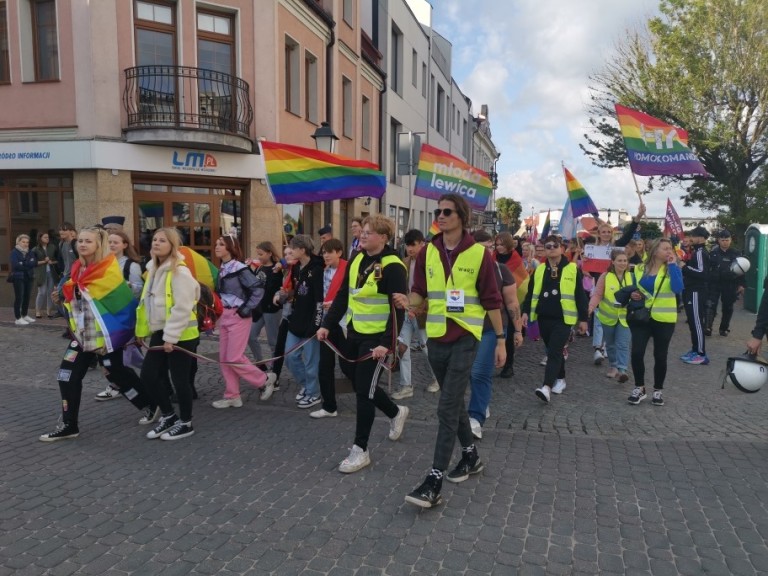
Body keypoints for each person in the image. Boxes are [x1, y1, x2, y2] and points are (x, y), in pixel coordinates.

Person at [393, 194, 505, 508]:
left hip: (467, 335)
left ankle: (434, 480)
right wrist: (409, 302)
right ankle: (470, 456)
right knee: (453, 403)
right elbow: (420, 292)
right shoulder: (428, 251)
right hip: (437, 336)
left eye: (447, 211)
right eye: (438, 211)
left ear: (461, 217)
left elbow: (492, 300)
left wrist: (500, 339)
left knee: (446, 407)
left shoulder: (479, 254)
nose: (440, 216)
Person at [39, 227, 153, 441]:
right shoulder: (77, 267)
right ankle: (69, 425)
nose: (82, 244)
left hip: (106, 334)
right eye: (80, 240)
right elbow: (77, 294)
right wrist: (63, 295)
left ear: (98, 245)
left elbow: (100, 293)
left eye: (88, 241)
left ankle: (150, 404)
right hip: (83, 334)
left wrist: (70, 290)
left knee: (116, 372)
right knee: (67, 375)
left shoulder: (107, 267)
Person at [318, 215, 408, 473]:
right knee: (357, 380)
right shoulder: (357, 258)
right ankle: (395, 412)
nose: (362, 236)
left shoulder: (393, 266)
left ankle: (360, 450)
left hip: (377, 339)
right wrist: (327, 324)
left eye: (368, 232)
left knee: (364, 392)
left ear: (383, 237)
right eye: (362, 232)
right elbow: (344, 296)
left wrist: (387, 344)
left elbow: (398, 310)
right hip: (354, 332)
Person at [133, 227, 202, 440]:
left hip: (182, 334)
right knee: (148, 375)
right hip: (161, 331)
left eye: (162, 240)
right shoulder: (153, 269)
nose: (156, 243)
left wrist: (171, 338)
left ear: (173, 246)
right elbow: (146, 304)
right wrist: (142, 331)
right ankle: (169, 415)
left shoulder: (179, 271)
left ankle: (186, 422)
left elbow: (182, 307)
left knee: (180, 380)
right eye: (155, 239)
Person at [468, 230, 523, 439]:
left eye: (489, 248)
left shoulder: (501, 270)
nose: (487, 252)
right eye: (481, 248)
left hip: (491, 329)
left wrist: (517, 330)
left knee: (479, 372)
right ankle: (482, 403)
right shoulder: (462, 269)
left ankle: (475, 418)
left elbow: (512, 302)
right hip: (465, 328)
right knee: (465, 372)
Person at [522, 235, 589, 403]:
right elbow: (531, 293)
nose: (551, 248)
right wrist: (525, 312)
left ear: (562, 249)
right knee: (553, 350)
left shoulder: (572, 269)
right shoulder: (540, 269)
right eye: (548, 246)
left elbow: (580, 295)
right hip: (543, 317)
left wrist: (583, 319)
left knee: (554, 351)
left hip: (564, 318)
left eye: (555, 245)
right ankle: (561, 378)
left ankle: (546, 387)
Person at [211, 235, 276, 408]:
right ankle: (232, 395)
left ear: (230, 248)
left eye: (221, 244)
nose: (217, 246)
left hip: (238, 316)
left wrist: (245, 309)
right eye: (216, 244)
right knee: (225, 358)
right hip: (225, 315)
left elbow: (257, 289)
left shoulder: (239, 268)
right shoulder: (223, 268)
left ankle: (264, 380)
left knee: (233, 357)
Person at [584, 201, 645, 366]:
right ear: (599, 234)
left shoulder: (617, 247)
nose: (605, 234)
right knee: (598, 318)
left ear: (611, 234)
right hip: (598, 285)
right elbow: (588, 269)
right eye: (603, 231)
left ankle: (605, 345)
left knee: (609, 318)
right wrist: (585, 263)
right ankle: (598, 348)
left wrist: (638, 217)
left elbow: (629, 234)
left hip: (615, 287)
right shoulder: (591, 249)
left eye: (608, 232)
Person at [626, 238, 684, 406]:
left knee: (660, 355)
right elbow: (634, 288)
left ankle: (658, 390)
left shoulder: (672, 268)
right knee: (637, 352)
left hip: (664, 319)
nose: (669, 251)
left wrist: (672, 265)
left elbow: (678, 288)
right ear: (655, 250)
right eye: (665, 248)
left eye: (670, 248)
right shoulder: (640, 268)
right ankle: (639, 387)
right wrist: (633, 294)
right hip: (641, 316)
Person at [391, 229, 439, 400]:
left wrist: (418, 310)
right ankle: (406, 386)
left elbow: (432, 291)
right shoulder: (404, 262)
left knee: (427, 349)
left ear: (422, 244)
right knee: (402, 348)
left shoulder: (431, 263)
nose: (409, 249)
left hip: (422, 313)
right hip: (406, 312)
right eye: (407, 245)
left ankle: (437, 378)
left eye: (413, 245)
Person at [284, 235, 324, 409]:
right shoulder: (296, 267)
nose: (290, 251)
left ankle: (314, 394)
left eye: (293, 248)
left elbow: (319, 300)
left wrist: (316, 324)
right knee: (290, 356)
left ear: (302, 249)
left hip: (311, 322)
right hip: (296, 320)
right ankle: (307, 385)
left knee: (311, 362)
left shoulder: (317, 269)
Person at [312, 238, 349, 418]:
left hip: (344, 322)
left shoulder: (348, 269)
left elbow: (352, 296)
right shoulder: (322, 270)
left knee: (347, 365)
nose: (325, 255)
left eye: (329, 252)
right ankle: (329, 406)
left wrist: (335, 304)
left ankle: (368, 396)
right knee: (325, 366)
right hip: (326, 323)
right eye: (324, 252)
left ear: (339, 252)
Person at [588, 250, 633, 382]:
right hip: (608, 316)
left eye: (625, 261)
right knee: (611, 344)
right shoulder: (605, 276)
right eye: (619, 260)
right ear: (613, 262)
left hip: (625, 317)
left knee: (623, 344)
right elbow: (598, 294)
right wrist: (591, 307)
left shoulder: (632, 276)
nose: (623, 263)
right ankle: (613, 366)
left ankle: (622, 370)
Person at [247, 241, 284, 372]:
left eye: (261, 254)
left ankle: (275, 370)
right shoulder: (260, 268)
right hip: (259, 308)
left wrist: (276, 271)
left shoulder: (277, 269)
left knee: (273, 342)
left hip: (271, 309)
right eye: (258, 254)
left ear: (269, 253)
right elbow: (254, 283)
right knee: (250, 336)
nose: (259, 257)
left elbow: (273, 288)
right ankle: (260, 362)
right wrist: (249, 270)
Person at [493, 232, 526, 378]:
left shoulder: (515, 258)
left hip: (511, 300)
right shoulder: (492, 257)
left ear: (508, 244)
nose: (499, 247)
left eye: (502, 244)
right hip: (496, 300)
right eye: (497, 244)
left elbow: (520, 279)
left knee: (509, 336)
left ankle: (509, 365)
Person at [705, 229, 744, 337]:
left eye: (727, 240)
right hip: (715, 283)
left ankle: (724, 328)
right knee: (710, 305)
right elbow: (707, 269)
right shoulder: (713, 253)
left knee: (728, 307)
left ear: (730, 240)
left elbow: (742, 270)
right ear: (718, 240)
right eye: (722, 240)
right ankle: (708, 327)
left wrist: (742, 284)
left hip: (730, 284)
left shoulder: (736, 253)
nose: (725, 242)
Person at [680, 226, 710, 365]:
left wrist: (684, 267)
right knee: (693, 322)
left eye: (693, 236)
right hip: (691, 290)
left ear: (701, 238)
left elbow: (702, 273)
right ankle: (695, 350)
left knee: (697, 322)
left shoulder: (700, 252)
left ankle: (701, 354)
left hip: (696, 291)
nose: (690, 238)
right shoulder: (696, 251)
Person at [10, 234, 38, 325]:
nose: (26, 244)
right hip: (18, 277)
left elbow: (34, 263)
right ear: (18, 242)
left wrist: (23, 263)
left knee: (27, 296)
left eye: (27, 242)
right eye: (23, 242)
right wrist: (27, 264)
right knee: (19, 297)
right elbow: (16, 265)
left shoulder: (30, 252)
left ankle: (24, 315)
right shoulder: (14, 252)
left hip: (29, 277)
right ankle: (18, 318)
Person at [32, 232, 59, 319]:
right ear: (40, 238)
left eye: (48, 237)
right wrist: (44, 261)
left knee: (50, 292)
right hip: (41, 273)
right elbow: (33, 262)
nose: (47, 238)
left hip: (51, 272)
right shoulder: (35, 249)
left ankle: (49, 311)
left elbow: (58, 259)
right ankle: (38, 311)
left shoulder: (52, 247)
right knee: (42, 292)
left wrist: (52, 262)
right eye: (45, 237)